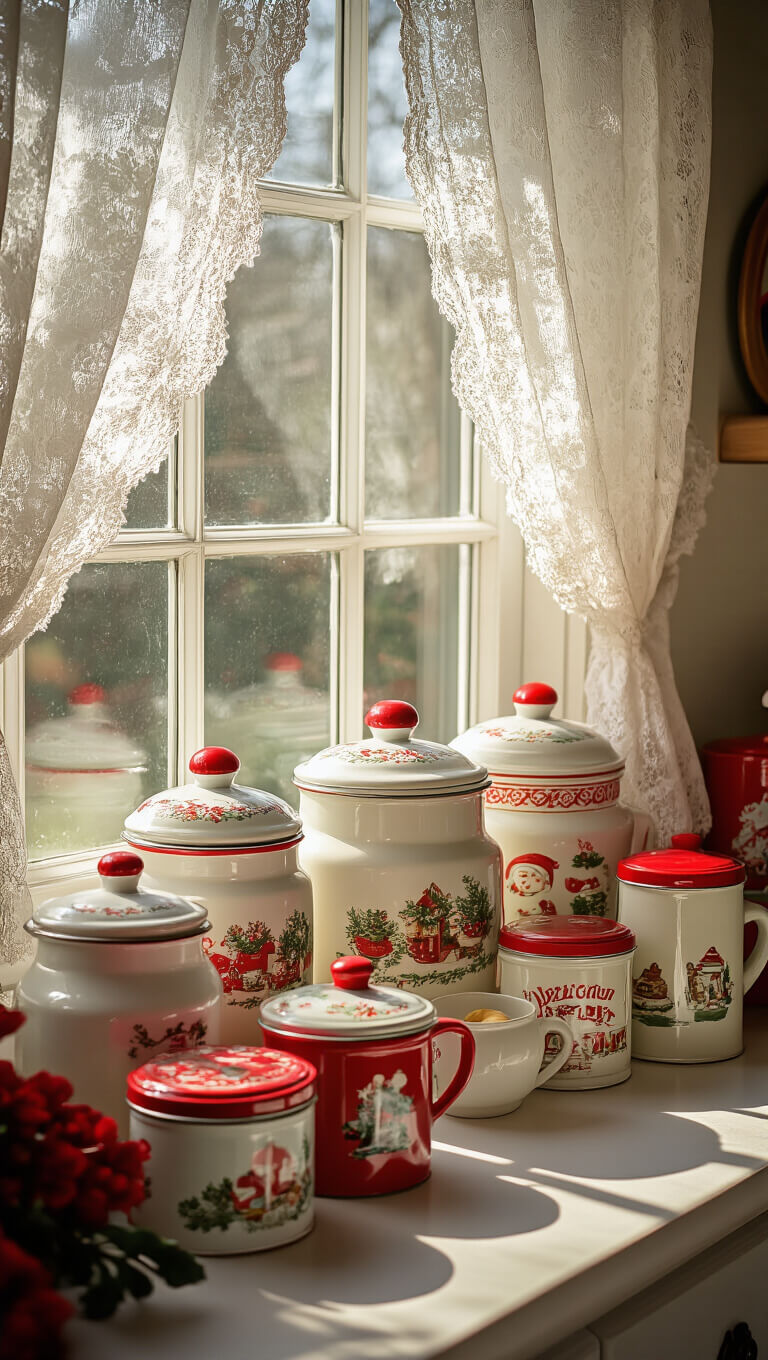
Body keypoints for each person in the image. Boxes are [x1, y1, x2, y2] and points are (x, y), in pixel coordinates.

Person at [505, 853, 559, 920]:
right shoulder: (511, 900)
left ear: (546, 881)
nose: (528, 882)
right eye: (523, 876)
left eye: (535, 876)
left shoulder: (546, 902)